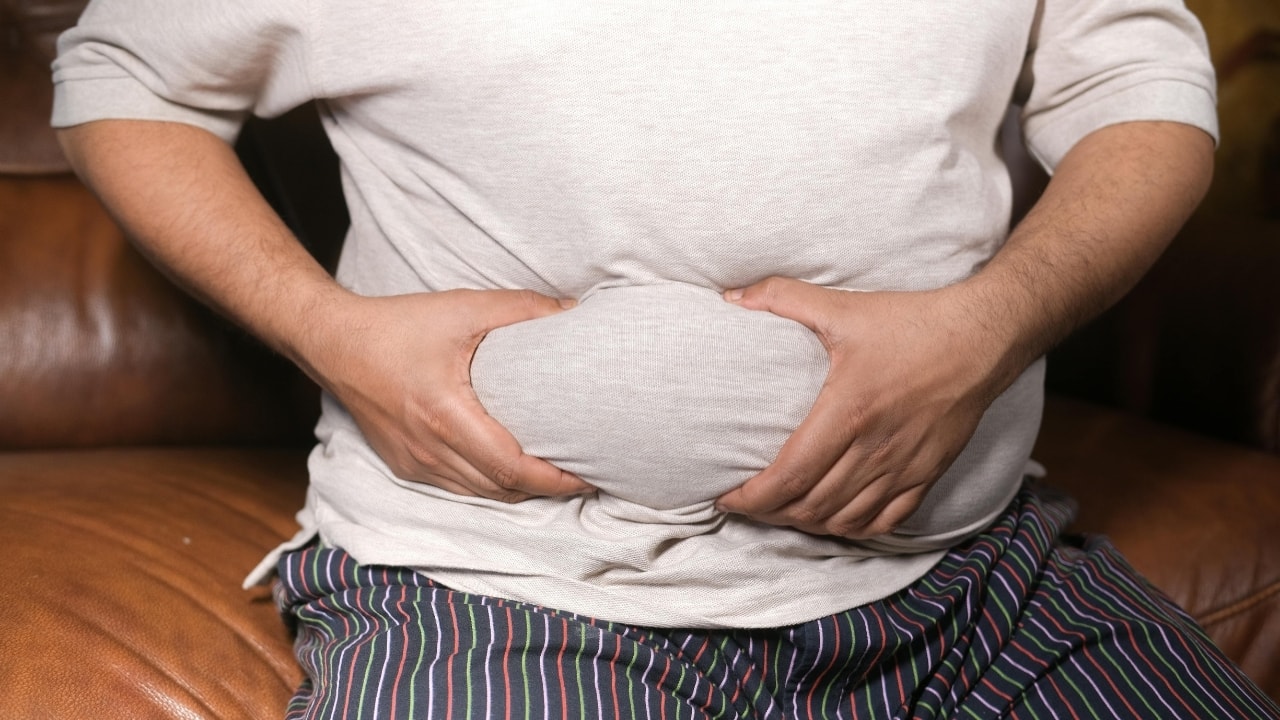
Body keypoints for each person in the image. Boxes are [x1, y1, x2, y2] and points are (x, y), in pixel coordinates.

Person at [51, 0, 1280, 717]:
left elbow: (1137, 80)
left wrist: (993, 323)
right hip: (491, 591)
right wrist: (326, 330)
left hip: (971, 580)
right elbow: (124, 74)